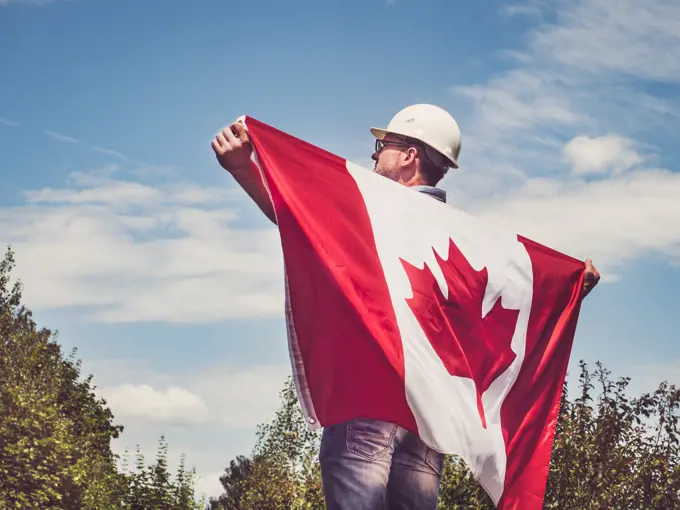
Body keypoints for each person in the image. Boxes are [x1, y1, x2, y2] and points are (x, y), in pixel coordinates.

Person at [211, 104, 601, 510]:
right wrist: (572, 289)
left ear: (409, 155)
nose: (375, 155)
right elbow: (517, 312)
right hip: (427, 425)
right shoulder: (464, 243)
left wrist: (243, 169)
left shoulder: (370, 209)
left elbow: (297, 217)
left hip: (367, 404)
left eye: (383, 146)